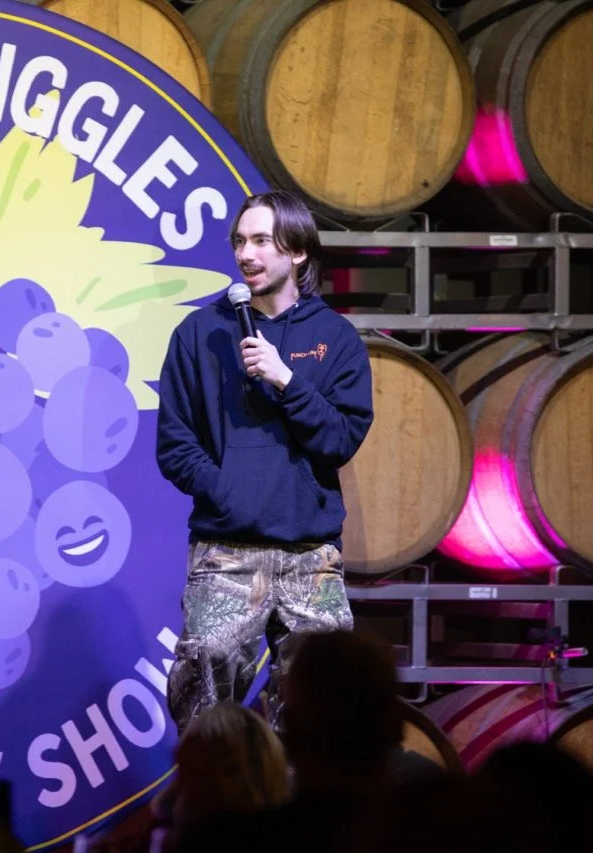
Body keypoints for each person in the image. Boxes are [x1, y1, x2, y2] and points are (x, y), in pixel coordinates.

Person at [155, 190, 374, 735]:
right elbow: (175, 444)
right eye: (239, 241)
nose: (246, 254)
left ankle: (304, 814)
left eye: (260, 241)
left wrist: (287, 381)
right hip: (227, 550)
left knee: (328, 711)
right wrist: (228, 492)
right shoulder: (199, 335)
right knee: (202, 694)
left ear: (297, 252)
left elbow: (340, 440)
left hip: (310, 554)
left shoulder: (336, 339)